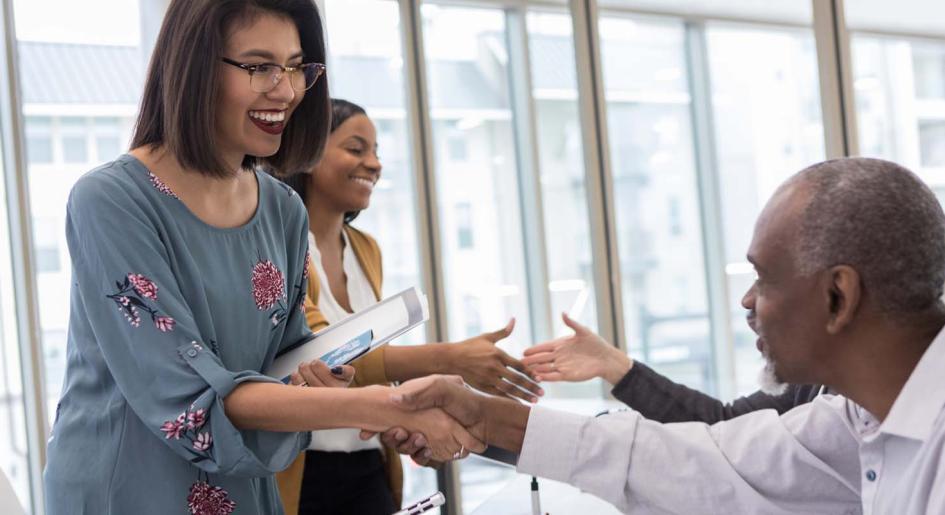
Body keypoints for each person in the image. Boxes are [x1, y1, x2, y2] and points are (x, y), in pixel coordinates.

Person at [43, 2, 483, 514]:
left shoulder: (282, 208)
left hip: (244, 488)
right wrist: (389, 404)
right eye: (259, 67)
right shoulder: (112, 200)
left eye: (297, 67)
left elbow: (282, 363)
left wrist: (324, 376)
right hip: (128, 490)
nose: (286, 89)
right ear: (195, 65)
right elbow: (190, 400)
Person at [389, 158, 945, 514]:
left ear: (837, 298)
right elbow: (708, 459)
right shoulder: (857, 417)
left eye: (764, 279)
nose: (747, 302)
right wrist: (484, 418)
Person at [275, 98, 543, 515]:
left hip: (368, 466)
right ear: (308, 153)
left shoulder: (366, 250)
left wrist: (408, 417)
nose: (374, 164)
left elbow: (369, 364)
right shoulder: (280, 247)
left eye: (377, 152)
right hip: (304, 472)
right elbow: (329, 354)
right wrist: (449, 357)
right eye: (357, 148)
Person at [522, 313, 824, 423]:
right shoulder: (813, 384)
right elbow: (723, 424)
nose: (747, 303)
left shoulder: (845, 409)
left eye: (769, 279)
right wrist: (612, 365)